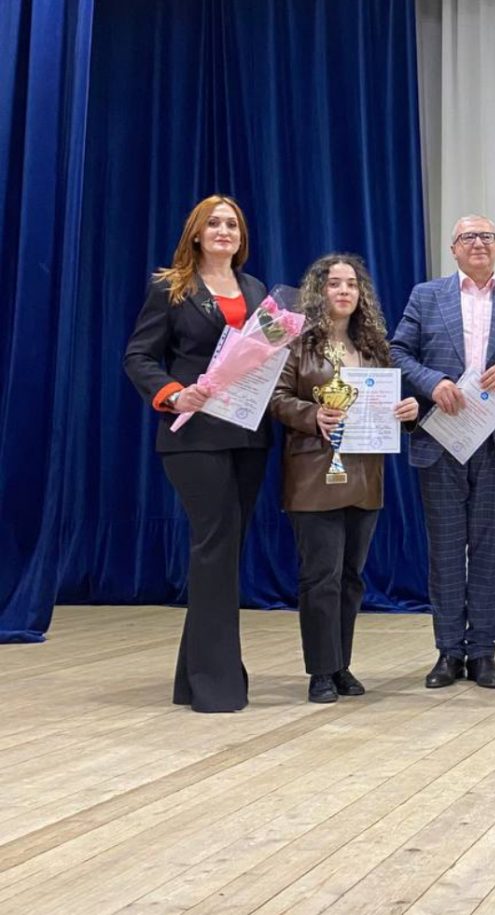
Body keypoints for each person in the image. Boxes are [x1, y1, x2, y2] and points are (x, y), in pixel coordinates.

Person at [123, 195, 268, 712]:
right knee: (214, 546)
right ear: (197, 233)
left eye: (232, 224)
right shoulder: (172, 287)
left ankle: (196, 676)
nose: (224, 231)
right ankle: (217, 683)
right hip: (193, 435)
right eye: (214, 223)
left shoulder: (257, 290)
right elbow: (138, 356)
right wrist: (172, 394)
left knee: (224, 553)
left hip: (248, 435)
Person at [390, 215, 495, 689]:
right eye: (468, 237)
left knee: (489, 550)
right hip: (441, 438)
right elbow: (398, 352)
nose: (478, 243)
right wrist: (432, 382)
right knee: (445, 550)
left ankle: (483, 653)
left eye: (486, 236)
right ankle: (448, 651)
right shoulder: (426, 295)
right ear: (453, 248)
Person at [269, 254, 419, 703]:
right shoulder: (296, 342)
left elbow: (386, 405)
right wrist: (312, 414)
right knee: (321, 576)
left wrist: (407, 412)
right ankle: (320, 670)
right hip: (312, 474)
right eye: (334, 283)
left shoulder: (374, 347)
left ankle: (341, 666)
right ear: (319, 290)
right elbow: (275, 397)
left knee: (352, 577)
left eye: (351, 284)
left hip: (364, 474)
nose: (344, 291)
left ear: (361, 294)